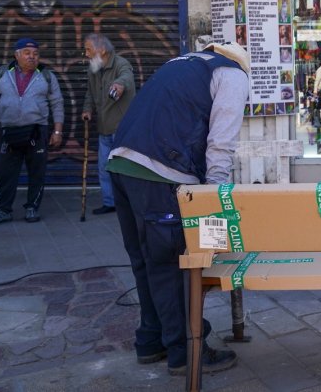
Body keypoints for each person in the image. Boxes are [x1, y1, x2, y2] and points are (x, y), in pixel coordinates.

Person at [106, 42, 249, 375]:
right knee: (172, 264)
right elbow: (221, 144)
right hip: (159, 172)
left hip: (121, 164)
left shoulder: (182, 63)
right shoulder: (232, 74)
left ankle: (151, 340)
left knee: (146, 261)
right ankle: (186, 351)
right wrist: (212, 203)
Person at [0, 38, 64, 226]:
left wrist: (57, 131)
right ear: (16, 55)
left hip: (37, 130)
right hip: (8, 131)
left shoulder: (46, 75)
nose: (32, 57)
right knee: (4, 173)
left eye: (35, 54)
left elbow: (57, 103)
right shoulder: (1, 73)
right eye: (27, 53)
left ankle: (32, 207)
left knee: (37, 172)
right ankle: (3, 210)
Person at [81, 34, 136, 215]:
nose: (86, 54)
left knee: (126, 170)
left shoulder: (121, 64)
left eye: (89, 49)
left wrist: (120, 85)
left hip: (121, 129)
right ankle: (109, 202)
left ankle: (131, 203)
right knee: (105, 169)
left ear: (102, 50)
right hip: (104, 128)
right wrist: (87, 109)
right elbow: (90, 92)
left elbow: (126, 78)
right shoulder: (94, 69)